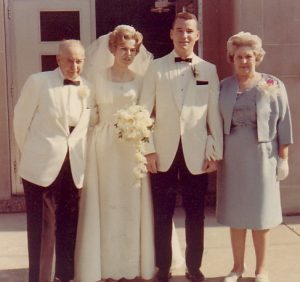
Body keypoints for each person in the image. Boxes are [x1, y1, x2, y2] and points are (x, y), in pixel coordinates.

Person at [139, 12, 223, 282]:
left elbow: (214, 116)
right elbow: (143, 112)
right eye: (179, 30)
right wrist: (148, 149)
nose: (184, 36)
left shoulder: (208, 70)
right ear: (171, 34)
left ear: (197, 35)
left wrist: (215, 152)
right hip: (162, 152)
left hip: (196, 152)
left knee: (196, 213)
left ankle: (193, 267)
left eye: (189, 31)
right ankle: (162, 267)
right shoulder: (155, 68)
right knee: (161, 213)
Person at [74, 25, 156, 282]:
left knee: (131, 202)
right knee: (106, 202)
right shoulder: (96, 76)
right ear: (113, 48)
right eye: (124, 49)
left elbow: (146, 112)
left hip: (131, 147)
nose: (128, 54)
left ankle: (132, 262)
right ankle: (105, 264)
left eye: (133, 50)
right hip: (104, 147)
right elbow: (91, 112)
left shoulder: (141, 79)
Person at [216, 32, 293, 282]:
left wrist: (284, 158)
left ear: (257, 57)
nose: (244, 61)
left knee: (261, 215)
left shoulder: (272, 84)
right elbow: (214, 122)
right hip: (232, 158)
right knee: (236, 215)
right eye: (239, 56)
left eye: (249, 56)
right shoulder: (224, 86)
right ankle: (237, 267)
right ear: (232, 58)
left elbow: (284, 122)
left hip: (262, 157)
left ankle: (262, 269)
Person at [13, 40, 91, 282]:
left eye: (79, 61)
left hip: (74, 166)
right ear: (58, 59)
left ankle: (64, 277)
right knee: (42, 231)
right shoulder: (38, 82)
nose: (74, 66)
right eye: (69, 60)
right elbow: (20, 122)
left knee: (69, 226)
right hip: (41, 167)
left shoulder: (88, 87)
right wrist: (34, 154)